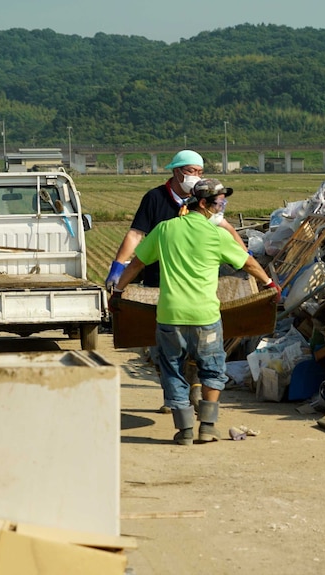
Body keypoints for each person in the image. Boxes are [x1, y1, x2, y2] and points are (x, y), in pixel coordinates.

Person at [112, 178, 280, 445]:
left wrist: (119, 290)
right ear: (203, 204)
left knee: (172, 370)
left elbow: (136, 264)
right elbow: (247, 263)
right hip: (206, 318)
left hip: (170, 317)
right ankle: (207, 427)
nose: (221, 208)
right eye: (219, 203)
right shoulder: (216, 235)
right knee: (212, 369)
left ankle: (185, 431)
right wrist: (270, 284)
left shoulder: (165, 230)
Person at [105, 149, 247, 413]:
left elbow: (226, 227)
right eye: (192, 171)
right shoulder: (155, 199)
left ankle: (190, 389)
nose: (196, 177)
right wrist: (117, 268)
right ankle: (175, 398)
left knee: (198, 344)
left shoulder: (202, 197)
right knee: (163, 348)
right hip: (160, 282)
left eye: (200, 172)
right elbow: (136, 235)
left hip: (200, 283)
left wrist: (244, 256)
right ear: (176, 171)